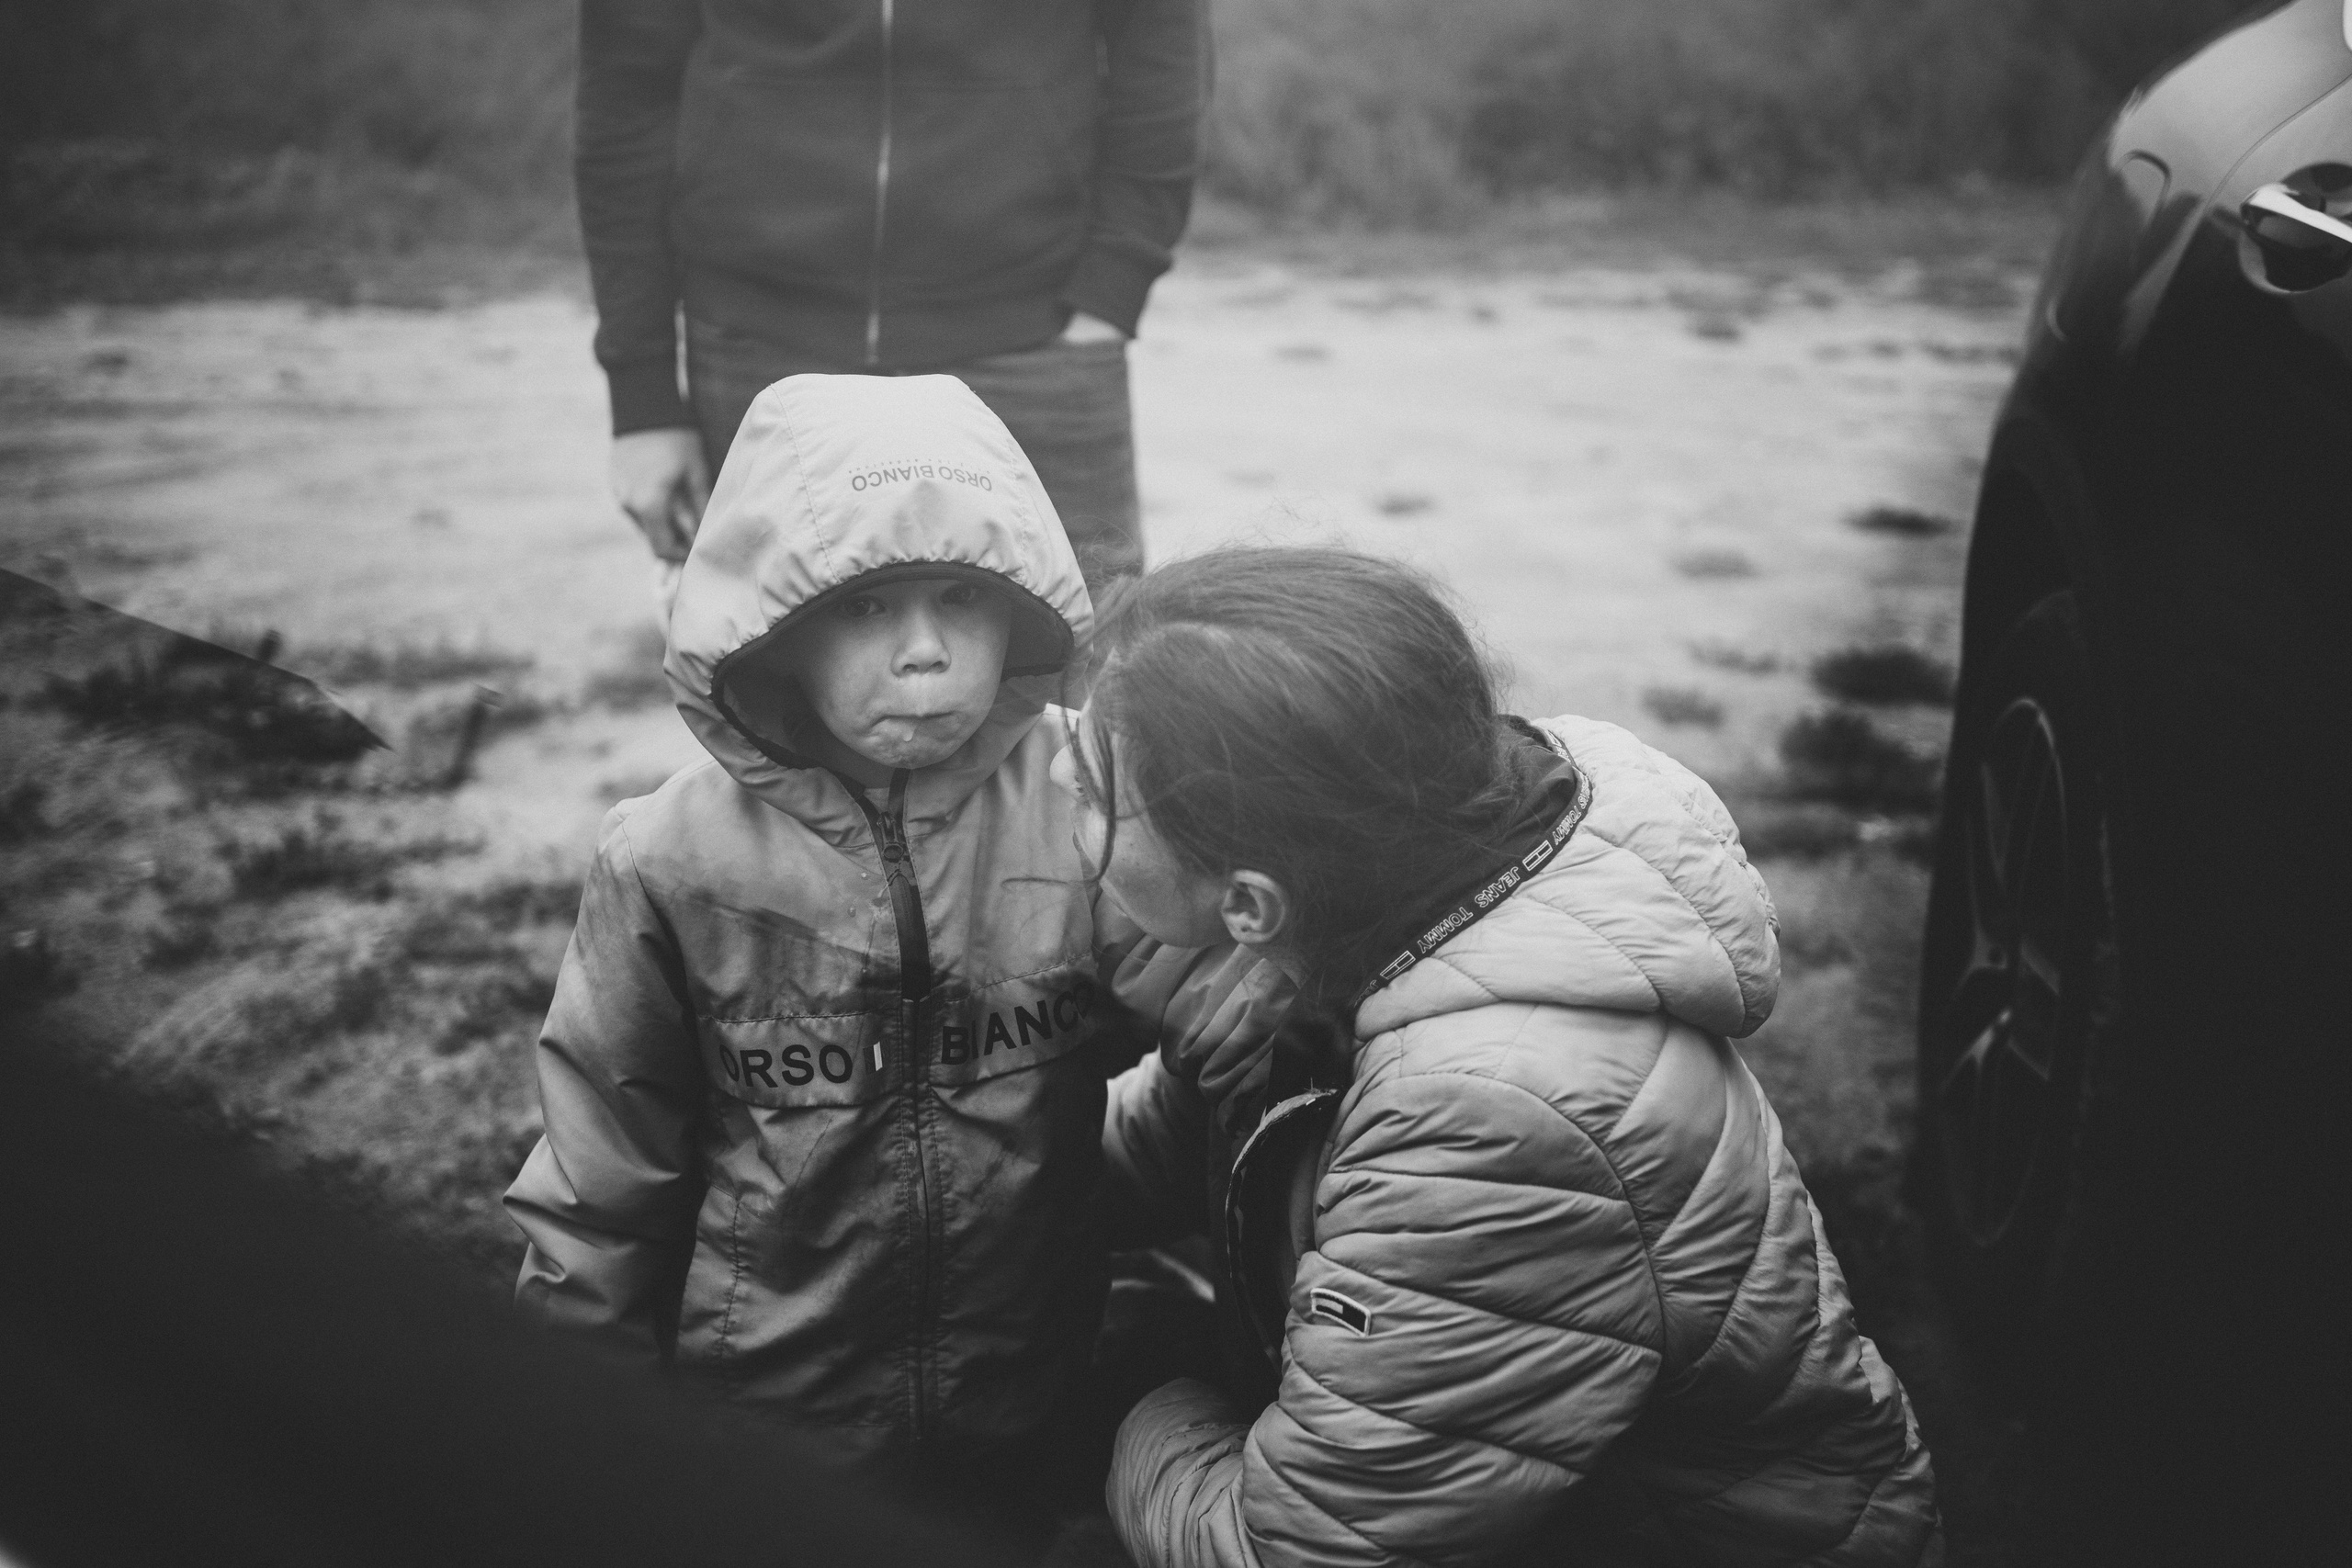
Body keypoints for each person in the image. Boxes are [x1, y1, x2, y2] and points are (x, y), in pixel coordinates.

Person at [502, 375, 1282, 1530]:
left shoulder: (1086, 798)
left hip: (1034, 1402)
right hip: (766, 1430)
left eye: (961, 596)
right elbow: (601, 1193)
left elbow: (1214, 976)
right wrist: (585, 1442)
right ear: (773, 629)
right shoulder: (670, 864)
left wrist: (1264, 982)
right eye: (866, 608)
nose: (925, 654)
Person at [1060, 548, 1939, 1567]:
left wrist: (1137, 1400)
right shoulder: (1377, 885)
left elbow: (1296, 1552)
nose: (1056, 790)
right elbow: (1130, 1169)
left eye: (1092, 790)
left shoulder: (1489, 1120)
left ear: (1250, 898)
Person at [578, 0, 1208, 608]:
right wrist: (644, 399)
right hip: (759, 347)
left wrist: (1111, 290)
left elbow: (1160, 50)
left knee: (1080, 692)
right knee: (777, 696)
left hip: (1038, 343)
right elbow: (627, 93)